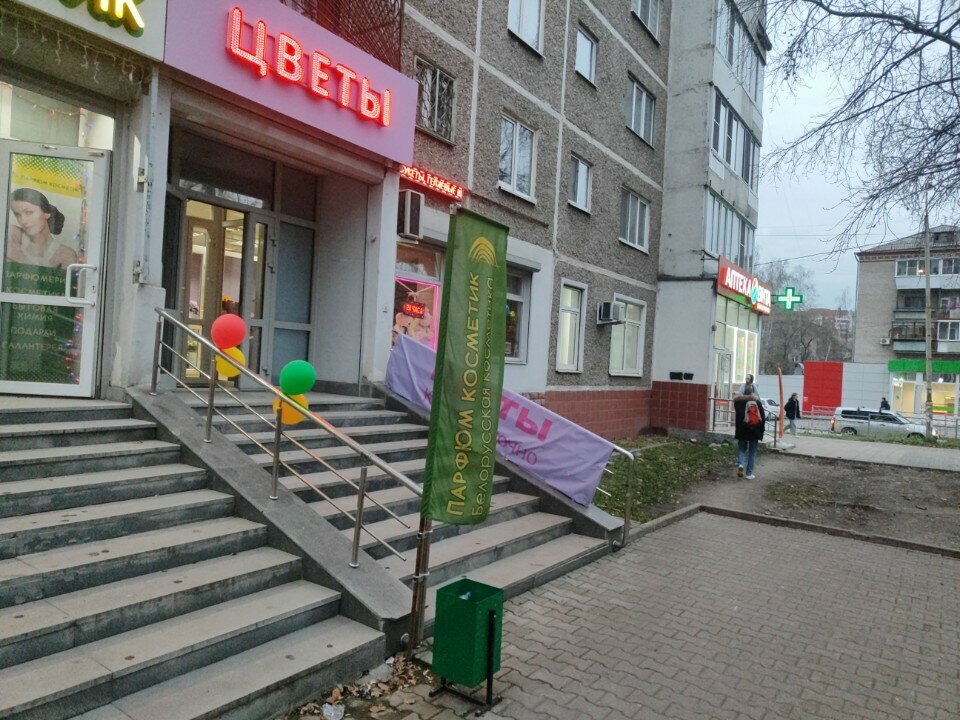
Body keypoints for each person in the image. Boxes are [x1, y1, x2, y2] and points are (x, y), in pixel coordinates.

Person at [6, 188, 77, 269]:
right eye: (17, 215)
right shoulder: (12, 234)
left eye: (29, 212)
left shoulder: (66, 254)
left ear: (46, 213)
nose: (23, 221)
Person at [734, 380, 765, 480]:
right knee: (752, 452)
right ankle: (749, 473)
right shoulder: (757, 402)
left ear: (743, 391)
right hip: (754, 430)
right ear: (753, 392)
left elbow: (738, 414)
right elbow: (763, 417)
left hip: (742, 429)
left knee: (742, 449)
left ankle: (741, 464)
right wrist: (762, 431)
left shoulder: (738, 403)